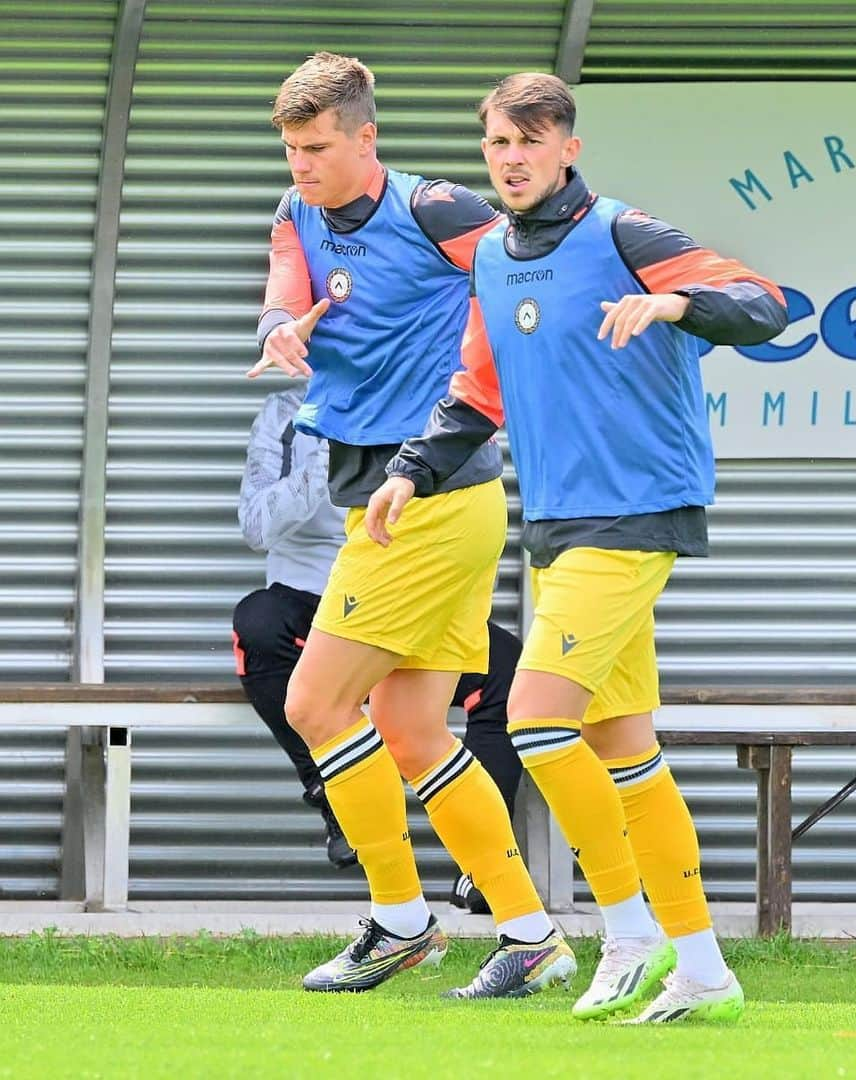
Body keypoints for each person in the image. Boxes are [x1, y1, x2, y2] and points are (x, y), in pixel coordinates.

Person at [366, 72, 788, 1023]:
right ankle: (707, 971)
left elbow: (766, 303)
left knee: (536, 722)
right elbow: (477, 391)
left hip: (637, 515)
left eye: (530, 140)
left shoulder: (627, 236)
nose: (510, 159)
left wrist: (678, 307)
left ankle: (628, 930)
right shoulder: (495, 260)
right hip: (557, 526)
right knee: (624, 747)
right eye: (497, 144)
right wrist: (406, 471)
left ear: (568, 148)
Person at [249, 53, 575, 996]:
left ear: (366, 137)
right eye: (291, 148)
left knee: (316, 705)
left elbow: (529, 286)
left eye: (317, 148)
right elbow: (283, 279)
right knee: (414, 733)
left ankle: (399, 921)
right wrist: (279, 324)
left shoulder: (436, 210)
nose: (301, 165)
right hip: (396, 500)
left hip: (429, 496)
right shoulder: (294, 208)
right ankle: (529, 935)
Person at [232, 381, 524, 915]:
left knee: (510, 675)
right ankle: (335, 800)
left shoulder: (419, 400)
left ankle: (484, 867)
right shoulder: (284, 414)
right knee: (258, 628)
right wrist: (327, 455)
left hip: (402, 589)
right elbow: (255, 525)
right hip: (311, 594)